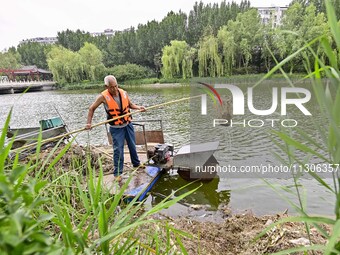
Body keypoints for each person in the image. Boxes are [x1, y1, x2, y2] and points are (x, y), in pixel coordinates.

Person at [86, 75, 146, 181]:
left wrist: (138, 107)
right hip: (116, 128)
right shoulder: (103, 97)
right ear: (106, 86)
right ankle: (117, 173)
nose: (114, 89)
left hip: (128, 124)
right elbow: (91, 109)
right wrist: (88, 123)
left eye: (115, 86)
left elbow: (130, 104)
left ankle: (136, 164)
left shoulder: (124, 92)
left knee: (132, 145)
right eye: (111, 87)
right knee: (118, 150)